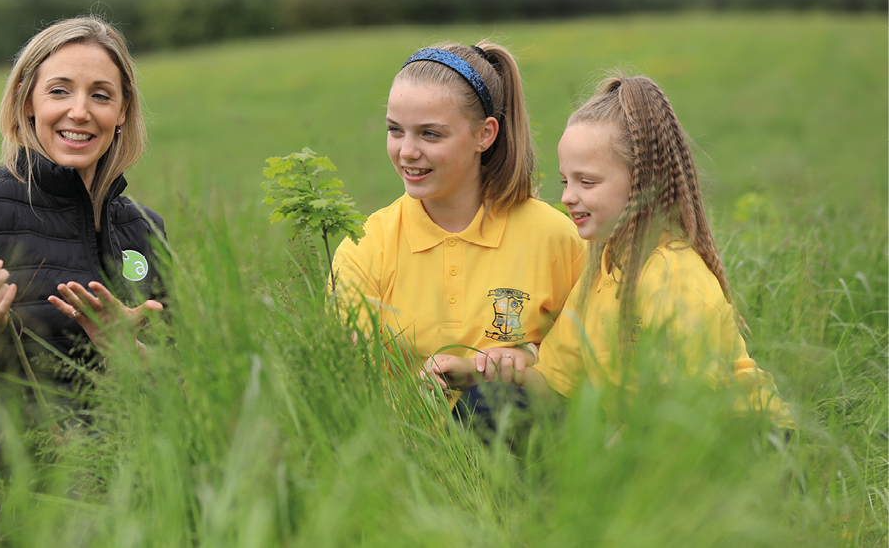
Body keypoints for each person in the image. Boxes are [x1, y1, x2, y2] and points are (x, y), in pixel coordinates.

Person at [425, 74, 793, 430]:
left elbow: (683, 412)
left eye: (587, 182)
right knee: (490, 403)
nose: (568, 196)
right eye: (565, 181)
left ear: (642, 183)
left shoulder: (672, 277)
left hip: (741, 443)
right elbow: (555, 383)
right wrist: (475, 372)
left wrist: (611, 463)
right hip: (634, 436)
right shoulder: (600, 271)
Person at [332, 41, 585, 422]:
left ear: (485, 134)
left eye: (430, 134)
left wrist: (528, 356)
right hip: (402, 457)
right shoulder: (365, 245)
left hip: (522, 461)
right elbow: (348, 376)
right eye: (395, 130)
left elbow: (590, 361)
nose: (407, 151)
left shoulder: (556, 238)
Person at [0, 16, 165, 399]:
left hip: (134, 457)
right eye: (59, 91)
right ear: (27, 100)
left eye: (100, 95)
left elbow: (181, 389)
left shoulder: (145, 229)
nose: (80, 112)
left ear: (123, 111)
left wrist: (129, 353)